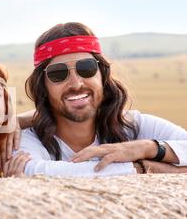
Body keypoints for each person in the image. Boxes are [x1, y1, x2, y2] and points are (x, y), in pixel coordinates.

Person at [19, 22, 187, 176]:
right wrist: (142, 168)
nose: (76, 84)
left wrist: (147, 148)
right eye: (58, 73)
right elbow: (33, 170)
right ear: (43, 86)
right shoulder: (29, 138)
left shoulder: (134, 126)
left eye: (86, 68)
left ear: (102, 75)